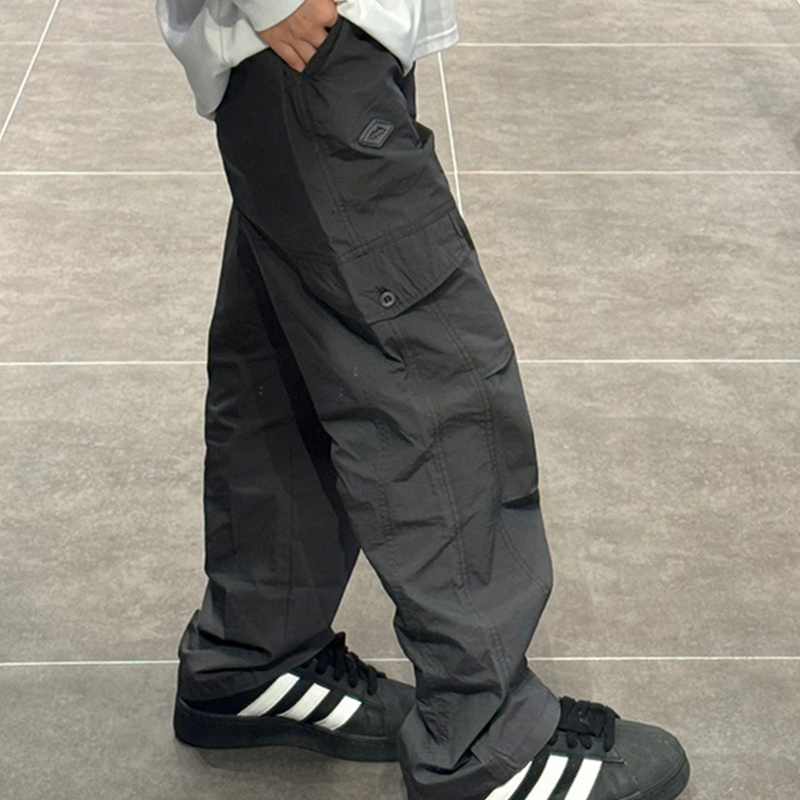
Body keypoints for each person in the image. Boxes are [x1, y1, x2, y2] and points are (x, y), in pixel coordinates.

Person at [154, 2, 691, 799]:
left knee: (284, 365)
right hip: (311, 44)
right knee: (431, 371)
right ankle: (489, 744)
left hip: (306, 54)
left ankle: (256, 653)